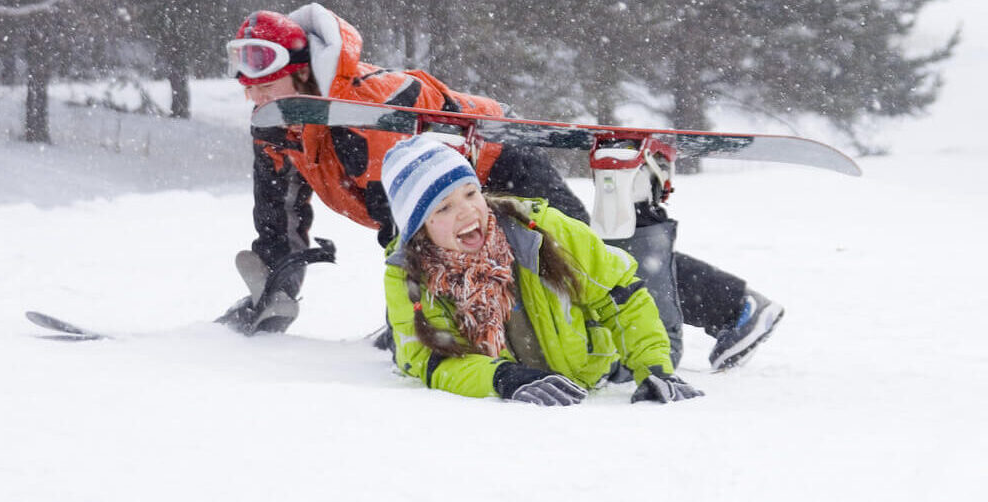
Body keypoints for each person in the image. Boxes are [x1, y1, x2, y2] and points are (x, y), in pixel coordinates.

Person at [218, 3, 784, 371]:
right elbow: (280, 217)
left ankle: (736, 307)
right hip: (452, 201)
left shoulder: (366, 106)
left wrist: (414, 322)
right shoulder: (280, 129)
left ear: (302, 62)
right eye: (240, 63)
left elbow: (411, 222)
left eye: (262, 62)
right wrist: (274, 293)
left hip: (498, 166)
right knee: (552, 265)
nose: (250, 82)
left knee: (576, 257)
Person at [381, 135, 703, 405]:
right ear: (419, 229)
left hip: (605, 365)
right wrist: (503, 377)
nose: (467, 212)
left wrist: (655, 368)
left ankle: (643, 199)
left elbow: (622, 295)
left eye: (470, 193)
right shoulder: (406, 274)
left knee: (665, 345)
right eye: (444, 207)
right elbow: (429, 361)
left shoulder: (539, 230)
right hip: (527, 386)